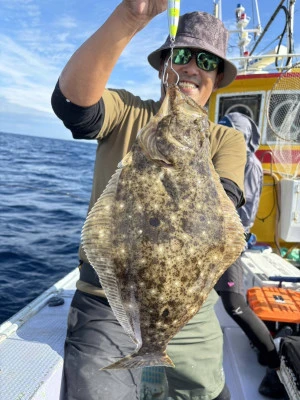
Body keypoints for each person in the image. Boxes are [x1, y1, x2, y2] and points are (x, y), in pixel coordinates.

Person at [51, 2, 247, 399]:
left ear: (217, 76)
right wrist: (131, 16)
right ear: (164, 67)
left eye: (206, 60)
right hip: (108, 300)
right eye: (181, 56)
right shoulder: (127, 113)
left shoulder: (227, 140)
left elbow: (224, 201)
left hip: (188, 303)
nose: (192, 66)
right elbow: (72, 106)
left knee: (209, 392)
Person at [214, 112, 287, 399]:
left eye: (228, 132)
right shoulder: (222, 159)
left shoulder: (248, 164)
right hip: (211, 242)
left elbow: (242, 212)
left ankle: (273, 361)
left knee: (234, 304)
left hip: (227, 242)